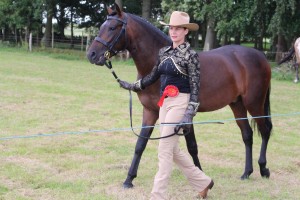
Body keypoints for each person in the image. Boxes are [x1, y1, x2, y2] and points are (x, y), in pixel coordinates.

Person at [118, 11, 214, 200]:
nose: (174, 32)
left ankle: (157, 195)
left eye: (178, 28)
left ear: (186, 31)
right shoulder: (164, 52)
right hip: (165, 103)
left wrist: (189, 114)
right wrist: (132, 86)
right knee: (174, 150)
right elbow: (152, 76)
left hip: (180, 103)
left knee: (164, 150)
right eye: (171, 28)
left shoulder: (191, 56)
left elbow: (196, 88)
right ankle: (203, 182)